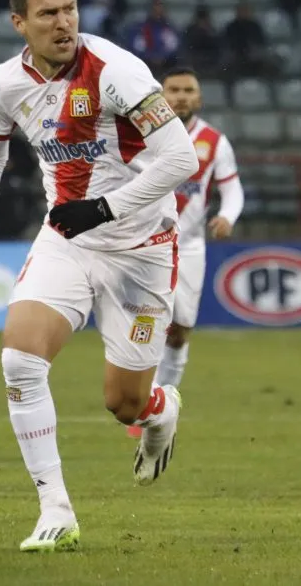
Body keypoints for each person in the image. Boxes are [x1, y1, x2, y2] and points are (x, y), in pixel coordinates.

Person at [0, 0, 199, 552]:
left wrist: (105, 208)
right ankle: (54, 509)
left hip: (143, 250)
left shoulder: (117, 69)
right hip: (67, 240)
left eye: (70, 9)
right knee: (19, 361)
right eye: (48, 13)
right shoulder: (6, 83)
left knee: (123, 402)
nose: (64, 23)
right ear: (19, 23)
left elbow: (179, 159)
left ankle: (161, 408)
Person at [126, 67, 243, 437]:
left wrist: (227, 215)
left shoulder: (214, 141)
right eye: (173, 89)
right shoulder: (139, 133)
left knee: (179, 331)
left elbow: (233, 188)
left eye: (188, 89)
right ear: (160, 94)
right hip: (143, 242)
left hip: (189, 246)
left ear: (199, 97)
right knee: (146, 324)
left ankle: (166, 399)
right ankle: (144, 403)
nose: (180, 96)